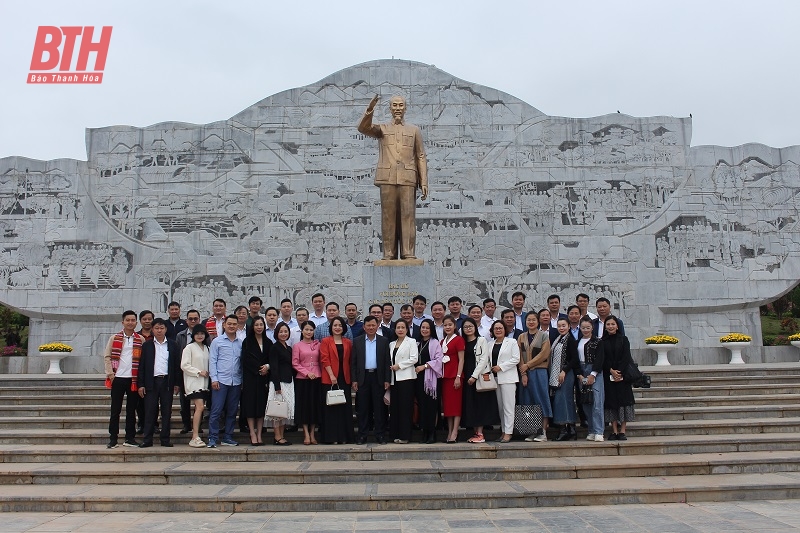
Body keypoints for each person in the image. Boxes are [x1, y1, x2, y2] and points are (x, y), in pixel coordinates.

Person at [358, 94, 428, 260]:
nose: (397, 108)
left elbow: (420, 155)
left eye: (400, 105)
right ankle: (388, 254)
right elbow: (363, 128)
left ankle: (408, 253)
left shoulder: (414, 130)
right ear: (390, 109)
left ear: (405, 108)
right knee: (388, 216)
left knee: (408, 216)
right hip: (387, 178)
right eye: (394, 105)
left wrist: (423, 181)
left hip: (408, 178)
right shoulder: (382, 128)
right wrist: (370, 110)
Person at [103, 310, 144, 448]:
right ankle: (113, 438)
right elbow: (107, 356)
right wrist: (111, 375)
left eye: (133, 320)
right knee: (115, 410)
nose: (130, 323)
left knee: (131, 410)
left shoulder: (140, 339)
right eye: (128, 320)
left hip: (133, 379)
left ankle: (129, 438)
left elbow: (143, 360)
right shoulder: (114, 338)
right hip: (118, 378)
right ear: (123, 322)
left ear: (136, 323)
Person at [138, 318, 180, 448]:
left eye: (162, 328)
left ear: (166, 329)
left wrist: (177, 383)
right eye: (157, 328)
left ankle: (165, 439)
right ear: (152, 330)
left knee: (166, 412)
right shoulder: (147, 345)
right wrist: (141, 384)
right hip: (152, 382)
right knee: (150, 411)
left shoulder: (173, 345)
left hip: (167, 382)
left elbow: (176, 365)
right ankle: (147, 439)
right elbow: (142, 366)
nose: (159, 330)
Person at [351, 316, 392, 444]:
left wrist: (387, 379)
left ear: (377, 326)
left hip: (378, 378)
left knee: (379, 408)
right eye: (368, 325)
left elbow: (387, 362)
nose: (370, 327)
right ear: (364, 327)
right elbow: (353, 363)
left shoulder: (383, 341)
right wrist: (354, 380)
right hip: (363, 378)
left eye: (373, 325)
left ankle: (380, 435)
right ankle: (362, 435)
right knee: (363, 408)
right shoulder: (357, 341)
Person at [207, 314, 243, 448]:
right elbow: (213, 361)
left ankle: (228, 436)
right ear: (224, 325)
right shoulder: (217, 341)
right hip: (220, 381)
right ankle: (213, 437)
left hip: (236, 381)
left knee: (232, 411)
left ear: (238, 326)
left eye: (234, 324)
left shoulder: (240, 343)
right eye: (229, 324)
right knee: (216, 410)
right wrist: (214, 378)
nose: (232, 326)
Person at [463, 317, 499, 444]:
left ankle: (480, 433)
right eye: (465, 327)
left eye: (470, 326)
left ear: (475, 328)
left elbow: (484, 359)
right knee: (471, 405)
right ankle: (475, 433)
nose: (468, 329)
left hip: (477, 376)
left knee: (480, 405)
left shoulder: (481, 340)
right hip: (466, 376)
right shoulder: (463, 341)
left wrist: (474, 376)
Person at [517, 313, 552, 442]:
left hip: (539, 371)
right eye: (528, 320)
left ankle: (542, 431)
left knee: (541, 399)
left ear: (538, 322)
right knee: (528, 400)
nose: (531, 322)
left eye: (533, 320)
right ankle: (532, 431)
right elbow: (519, 355)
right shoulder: (521, 337)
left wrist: (528, 365)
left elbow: (544, 354)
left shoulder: (544, 336)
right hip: (525, 373)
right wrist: (523, 372)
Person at [320, 316, 355, 444]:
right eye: (335, 325)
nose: (337, 327)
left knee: (344, 409)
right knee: (331, 409)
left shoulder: (348, 342)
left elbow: (351, 361)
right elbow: (324, 359)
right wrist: (331, 375)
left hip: (344, 378)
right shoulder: (325, 341)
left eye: (340, 325)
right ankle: (332, 437)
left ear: (343, 327)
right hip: (330, 379)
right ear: (331, 327)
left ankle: (344, 437)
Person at [485, 320, 520, 443]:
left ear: (505, 329)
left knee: (508, 407)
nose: (498, 330)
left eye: (500, 328)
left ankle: (509, 433)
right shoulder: (490, 344)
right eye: (496, 328)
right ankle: (503, 431)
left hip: (508, 378)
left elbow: (516, 358)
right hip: (495, 379)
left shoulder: (512, 342)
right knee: (500, 407)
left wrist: (501, 367)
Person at [602, 316, 635, 440]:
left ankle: (622, 431)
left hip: (623, 376)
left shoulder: (623, 339)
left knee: (624, 402)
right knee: (611, 403)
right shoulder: (602, 341)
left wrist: (619, 372)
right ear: (605, 326)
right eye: (608, 324)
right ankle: (614, 430)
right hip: (608, 376)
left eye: (613, 324)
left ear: (617, 326)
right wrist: (611, 370)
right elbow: (603, 359)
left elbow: (626, 357)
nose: (610, 326)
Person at [241, 316, 272, 446]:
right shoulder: (247, 342)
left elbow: (272, 358)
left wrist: (267, 367)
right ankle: (252, 434)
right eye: (256, 325)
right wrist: (258, 369)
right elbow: (245, 359)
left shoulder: (268, 342)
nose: (259, 327)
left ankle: (259, 434)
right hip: (251, 378)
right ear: (252, 327)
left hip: (264, 379)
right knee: (250, 406)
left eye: (261, 325)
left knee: (261, 407)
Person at [292, 321, 322, 445]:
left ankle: (312, 433)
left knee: (314, 406)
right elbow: (295, 363)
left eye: (311, 330)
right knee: (304, 406)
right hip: (302, 379)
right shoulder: (297, 346)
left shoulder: (318, 344)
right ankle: (305, 433)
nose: (309, 332)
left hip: (317, 377)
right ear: (302, 331)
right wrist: (306, 372)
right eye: (306, 329)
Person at [180, 323, 210, 447]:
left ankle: (196, 434)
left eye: (202, 333)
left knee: (200, 408)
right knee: (200, 407)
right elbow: (184, 365)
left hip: (204, 383)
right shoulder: (189, 348)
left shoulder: (207, 348)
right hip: (193, 381)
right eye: (197, 333)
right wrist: (198, 372)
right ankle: (195, 436)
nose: (199, 336)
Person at [550, 318, 580, 441]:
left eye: (564, 325)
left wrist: (564, 370)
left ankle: (567, 428)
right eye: (559, 326)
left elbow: (574, 359)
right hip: (558, 373)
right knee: (562, 401)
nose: (561, 328)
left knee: (563, 400)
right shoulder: (559, 339)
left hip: (566, 374)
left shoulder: (570, 340)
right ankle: (568, 429)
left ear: (569, 326)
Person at [388, 320, 418, 443]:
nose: (400, 329)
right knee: (395, 408)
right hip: (394, 379)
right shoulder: (391, 344)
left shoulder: (411, 342)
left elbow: (414, 359)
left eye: (403, 327)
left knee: (405, 408)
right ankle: (395, 434)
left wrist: (399, 365)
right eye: (398, 327)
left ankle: (405, 436)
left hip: (406, 378)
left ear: (407, 329)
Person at [576, 317, 605, 442]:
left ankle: (599, 431)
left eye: (588, 327)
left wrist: (593, 374)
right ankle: (591, 430)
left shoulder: (598, 342)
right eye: (583, 328)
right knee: (586, 402)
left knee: (597, 402)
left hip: (594, 371)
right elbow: (575, 360)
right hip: (582, 371)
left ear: (592, 327)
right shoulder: (577, 341)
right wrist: (579, 374)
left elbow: (600, 359)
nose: (586, 330)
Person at [414, 318, 443, 443]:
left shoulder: (435, 342)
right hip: (418, 379)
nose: (424, 330)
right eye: (422, 328)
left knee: (431, 407)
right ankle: (424, 432)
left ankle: (432, 433)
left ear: (431, 329)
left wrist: (425, 366)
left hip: (431, 379)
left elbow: (439, 360)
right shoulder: (417, 343)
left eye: (427, 328)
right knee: (422, 406)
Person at [267, 322, 295, 445]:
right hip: (278, 383)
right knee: (277, 410)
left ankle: (281, 435)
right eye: (281, 332)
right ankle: (277, 436)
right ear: (276, 333)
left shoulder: (289, 348)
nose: (283, 334)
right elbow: (274, 367)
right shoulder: (274, 347)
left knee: (285, 410)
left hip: (289, 381)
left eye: (285, 331)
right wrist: (277, 386)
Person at [176, 309, 203, 434]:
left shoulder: (203, 335)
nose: (193, 321)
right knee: (184, 401)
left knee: (200, 402)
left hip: (200, 375)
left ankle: (198, 425)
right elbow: (177, 357)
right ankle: (186, 424)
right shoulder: (180, 335)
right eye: (190, 319)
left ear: (199, 320)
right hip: (185, 373)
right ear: (186, 321)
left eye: (195, 319)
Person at [439, 316, 466, 443]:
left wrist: (458, 376)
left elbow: (461, 359)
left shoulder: (459, 340)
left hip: (455, 376)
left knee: (456, 406)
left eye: (450, 324)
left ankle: (455, 431)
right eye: (445, 325)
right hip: (445, 377)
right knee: (448, 407)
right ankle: (449, 431)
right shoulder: (442, 341)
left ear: (454, 326)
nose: (448, 327)